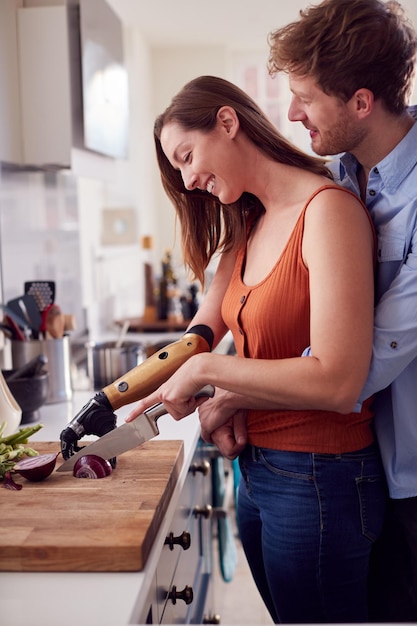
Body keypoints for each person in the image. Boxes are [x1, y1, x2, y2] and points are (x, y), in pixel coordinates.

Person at [126, 75, 387, 623]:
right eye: (177, 169)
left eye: (186, 156)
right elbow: (196, 339)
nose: (188, 178)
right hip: (257, 473)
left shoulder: (328, 212)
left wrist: (210, 373)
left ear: (227, 122)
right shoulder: (248, 227)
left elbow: (338, 380)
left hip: (321, 475)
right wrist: (113, 402)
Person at [265, 0, 417, 621]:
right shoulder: (339, 177)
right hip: (369, 468)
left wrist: (237, 390)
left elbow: (359, 363)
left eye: (305, 97)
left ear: (361, 102)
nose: (293, 113)